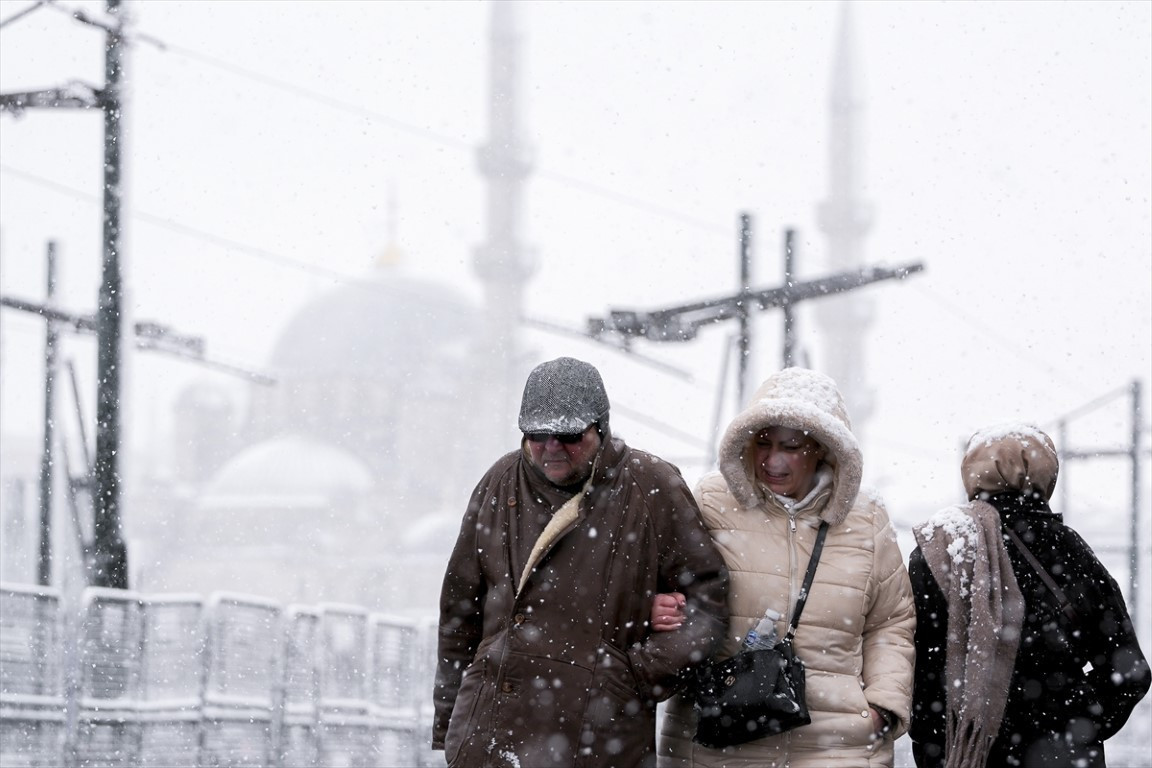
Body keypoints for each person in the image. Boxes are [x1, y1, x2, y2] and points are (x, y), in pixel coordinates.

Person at [432, 356, 730, 768]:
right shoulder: (500, 481)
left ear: (600, 429)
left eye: (568, 434)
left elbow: (708, 602)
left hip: (601, 737)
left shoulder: (650, 485)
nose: (552, 447)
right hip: (492, 731)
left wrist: (635, 675)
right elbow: (459, 611)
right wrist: (452, 719)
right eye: (538, 433)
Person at [654, 366, 916, 768]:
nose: (772, 460)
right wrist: (659, 607)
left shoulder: (868, 520)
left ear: (823, 449)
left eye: (791, 446)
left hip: (837, 745)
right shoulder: (710, 501)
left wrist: (883, 705)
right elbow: (660, 583)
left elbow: (891, 621)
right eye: (763, 442)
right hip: (718, 741)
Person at [908, 423, 1150, 768]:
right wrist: (1075, 723)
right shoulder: (1066, 550)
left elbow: (913, 662)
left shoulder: (939, 550)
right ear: (1045, 475)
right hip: (1060, 756)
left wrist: (936, 738)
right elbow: (1129, 672)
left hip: (959, 754)